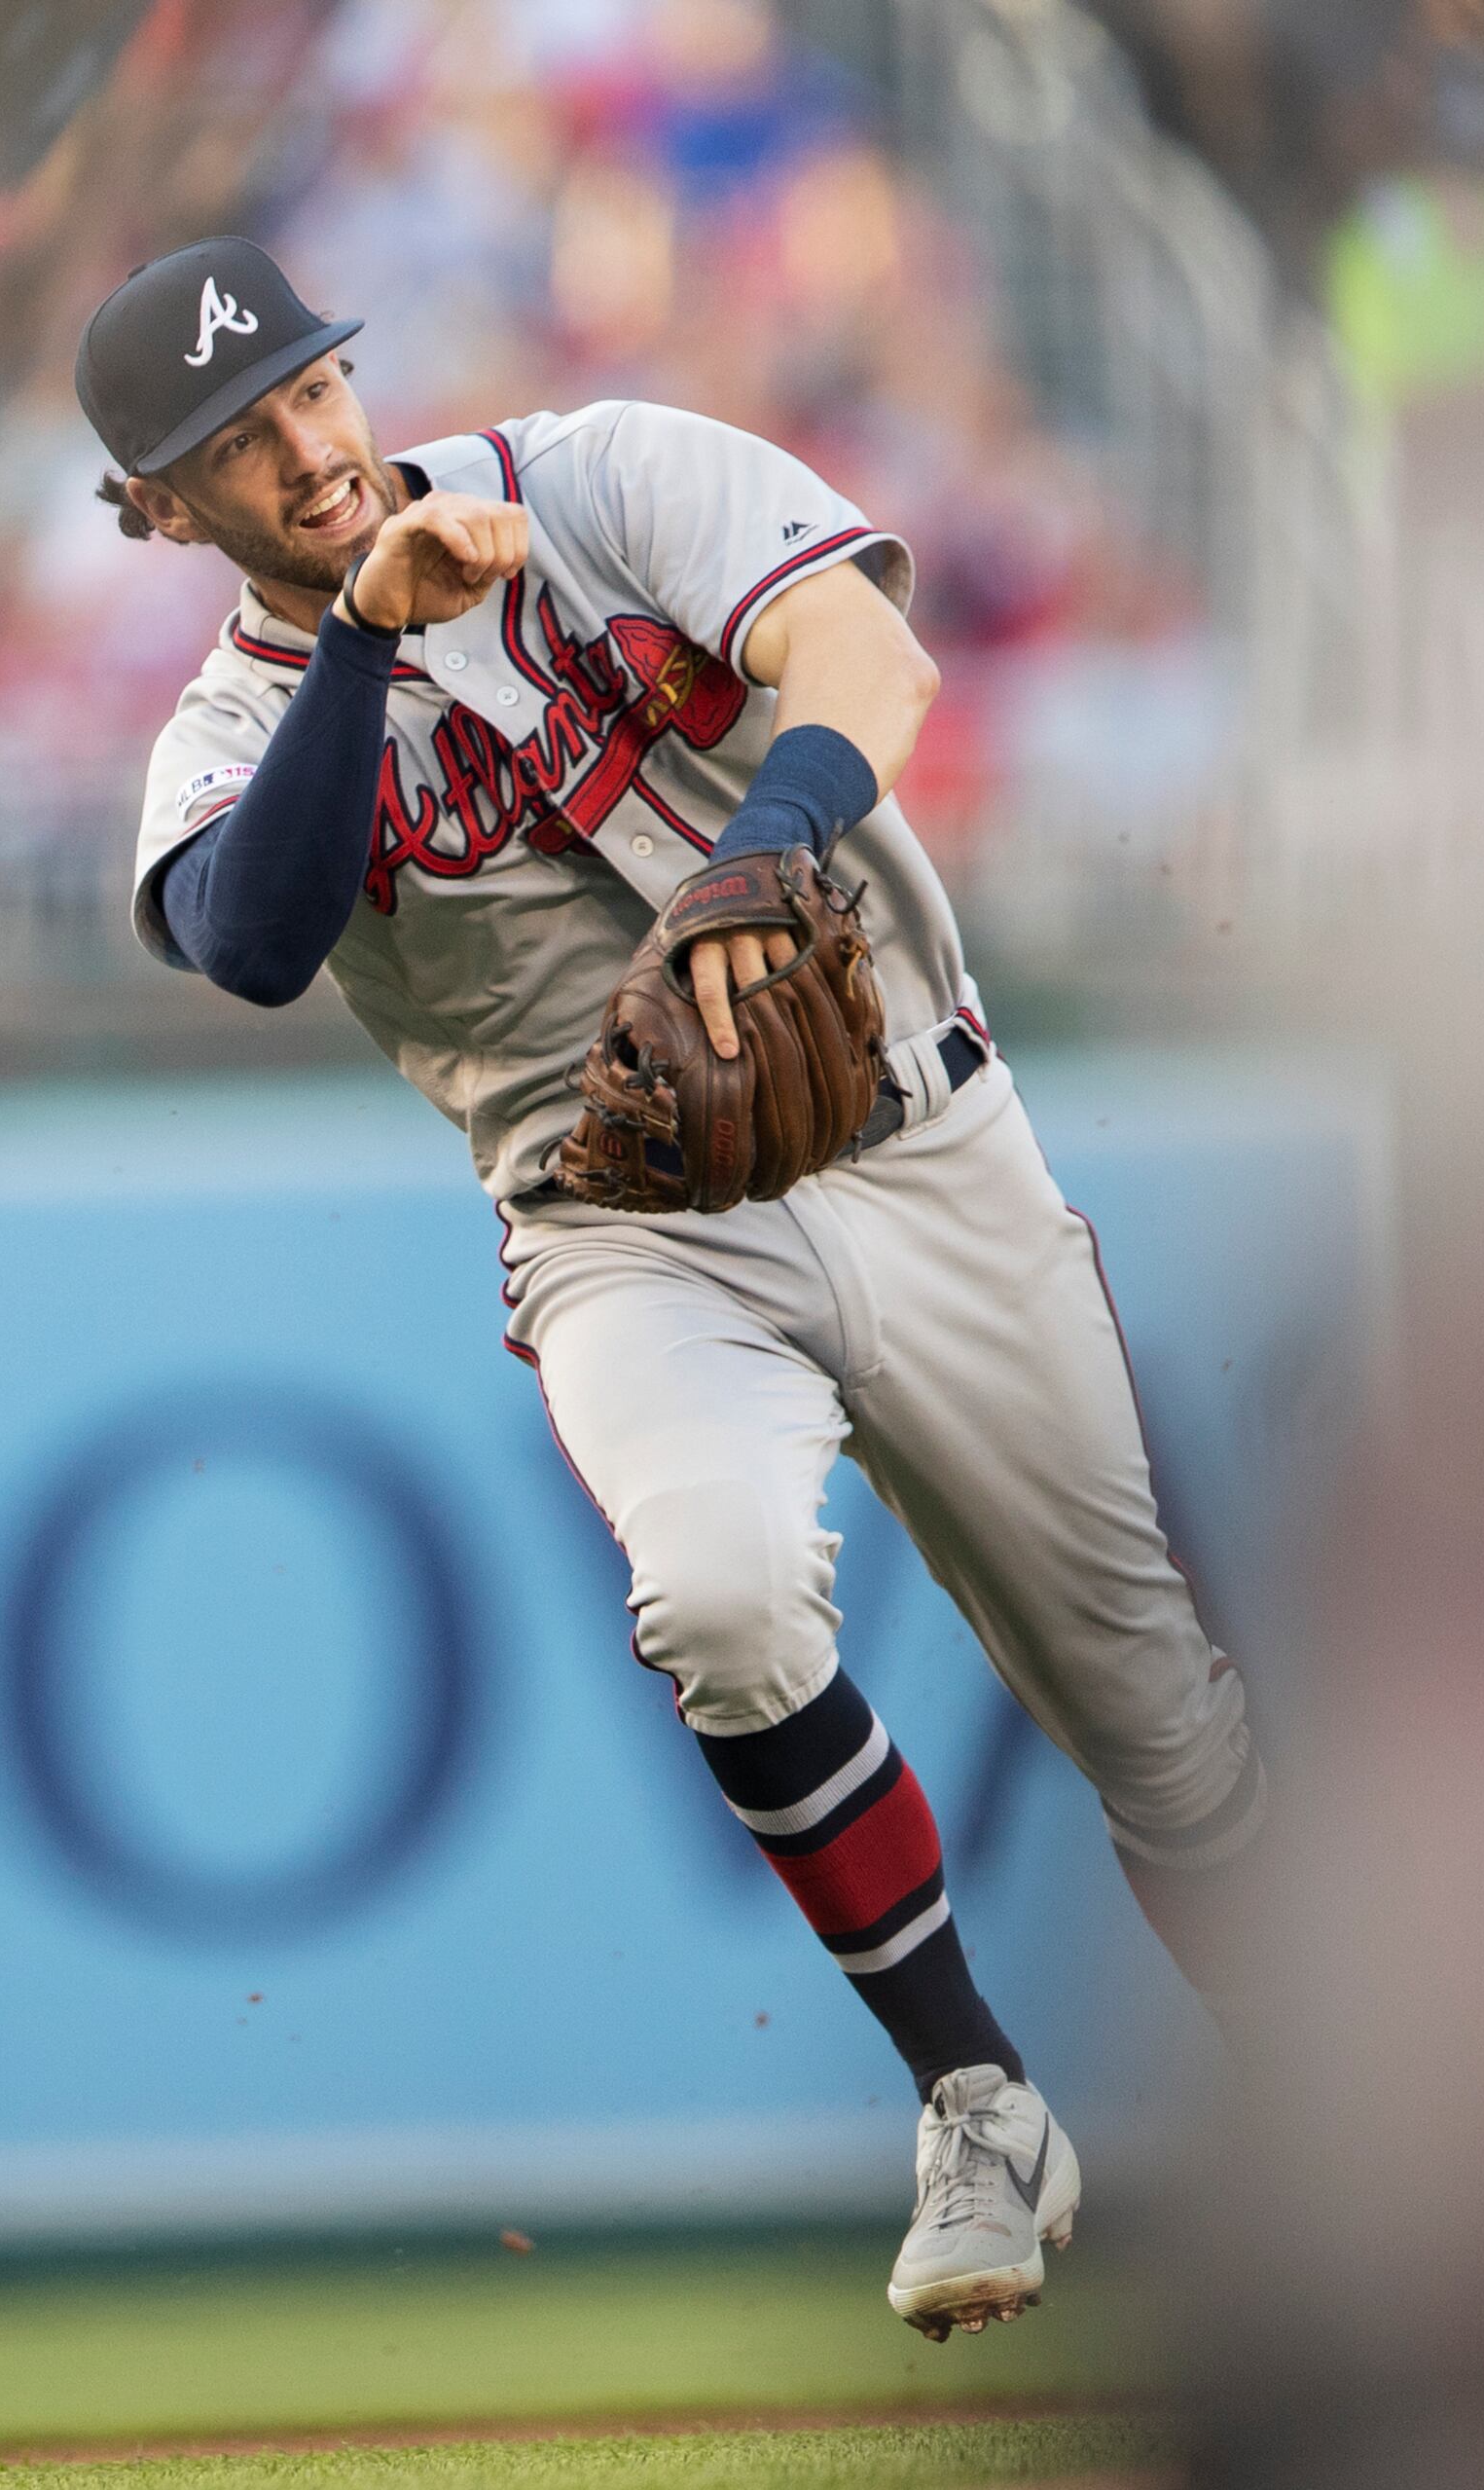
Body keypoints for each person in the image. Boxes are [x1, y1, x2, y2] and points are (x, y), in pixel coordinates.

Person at [87, 235, 1264, 2339]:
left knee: (1171, 1745)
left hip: (923, 1137)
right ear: (162, 511)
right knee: (718, 1601)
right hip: (629, 1228)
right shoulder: (224, 737)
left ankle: (1374, 2159)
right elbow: (255, 936)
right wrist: (358, 639)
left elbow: (869, 663)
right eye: (233, 448)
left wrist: (769, 848)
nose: (301, 450)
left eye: (305, 396)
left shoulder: (603, 476)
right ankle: (974, 2090)